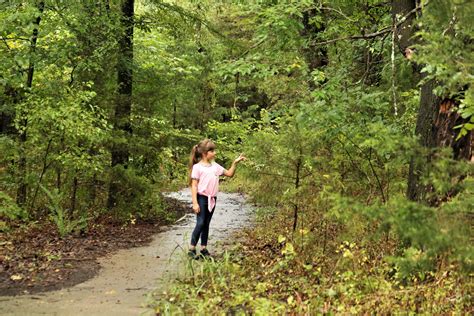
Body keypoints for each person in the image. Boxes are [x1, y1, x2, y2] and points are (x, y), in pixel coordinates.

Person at [187, 139, 246, 259]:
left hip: (212, 199)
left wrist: (235, 163)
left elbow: (229, 173)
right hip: (202, 198)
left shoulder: (215, 166)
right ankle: (192, 249)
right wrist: (195, 203)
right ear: (205, 153)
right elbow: (194, 185)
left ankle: (203, 248)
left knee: (206, 224)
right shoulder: (197, 167)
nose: (215, 153)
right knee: (201, 223)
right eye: (212, 151)